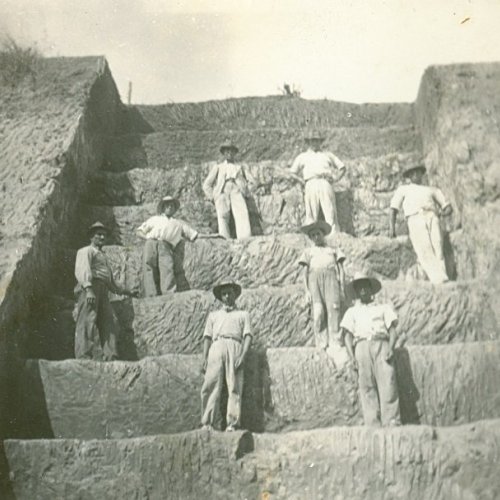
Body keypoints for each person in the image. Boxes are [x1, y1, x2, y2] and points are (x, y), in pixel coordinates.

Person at [340, 273, 401, 426]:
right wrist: (352, 356)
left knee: (388, 382)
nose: (362, 290)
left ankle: (392, 421)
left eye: (365, 286)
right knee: (366, 386)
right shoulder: (352, 312)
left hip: (381, 344)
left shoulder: (383, 308)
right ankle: (372, 423)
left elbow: (393, 330)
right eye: (359, 287)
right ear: (355, 291)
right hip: (361, 347)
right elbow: (347, 336)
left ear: (371, 289)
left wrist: (391, 348)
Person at [74, 222, 137, 360]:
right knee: (87, 320)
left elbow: (111, 283)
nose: (102, 237)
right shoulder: (86, 251)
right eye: (99, 234)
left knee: (110, 320)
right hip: (91, 287)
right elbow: (82, 269)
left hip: (103, 289)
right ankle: (83, 355)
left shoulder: (102, 256)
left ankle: (110, 355)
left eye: (104, 235)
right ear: (91, 237)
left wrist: (127, 292)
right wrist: (88, 289)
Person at [137, 196, 220, 296]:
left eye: (172, 206)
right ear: (163, 207)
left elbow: (194, 235)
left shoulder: (179, 223)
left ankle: (169, 295)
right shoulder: (154, 219)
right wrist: (147, 238)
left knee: (167, 269)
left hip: (166, 246)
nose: (170, 207)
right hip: (151, 242)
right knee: (148, 266)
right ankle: (151, 295)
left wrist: (213, 235)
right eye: (167, 205)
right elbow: (139, 231)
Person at [200, 280, 252, 431]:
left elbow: (248, 336)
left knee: (234, 386)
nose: (227, 296)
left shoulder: (243, 314)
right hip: (216, 347)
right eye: (224, 294)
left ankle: (232, 423)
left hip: (235, 346)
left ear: (235, 294)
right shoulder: (213, 315)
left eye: (230, 293)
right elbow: (207, 337)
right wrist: (205, 357)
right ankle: (207, 422)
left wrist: (243, 355)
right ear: (220, 297)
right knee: (210, 384)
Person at [389, 163, 452, 284]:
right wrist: (392, 228)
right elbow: (393, 209)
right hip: (415, 219)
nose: (416, 175)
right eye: (412, 173)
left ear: (422, 174)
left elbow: (447, 207)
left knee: (438, 247)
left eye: (418, 172)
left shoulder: (431, 190)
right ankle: (440, 280)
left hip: (432, 217)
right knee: (424, 249)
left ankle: (441, 278)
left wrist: (440, 214)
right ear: (409, 176)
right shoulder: (403, 189)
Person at [298, 221, 346, 353]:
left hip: (331, 280)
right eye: (313, 235)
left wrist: (342, 288)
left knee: (334, 309)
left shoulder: (333, 250)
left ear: (323, 234)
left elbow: (341, 270)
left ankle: (335, 341)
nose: (316, 237)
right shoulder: (308, 252)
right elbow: (304, 273)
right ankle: (321, 342)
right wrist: (307, 291)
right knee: (318, 312)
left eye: (318, 234)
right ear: (310, 238)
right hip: (314, 282)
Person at [289, 132, 346, 232]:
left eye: (317, 141)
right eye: (312, 140)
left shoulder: (327, 155)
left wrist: (336, 179)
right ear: (309, 142)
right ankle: (312, 236)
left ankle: (334, 235)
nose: (315, 143)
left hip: (325, 183)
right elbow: (292, 172)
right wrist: (301, 181)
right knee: (311, 212)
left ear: (320, 142)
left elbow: (342, 167)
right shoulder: (303, 156)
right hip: (310, 183)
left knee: (330, 210)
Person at [202, 141, 252, 239]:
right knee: (222, 215)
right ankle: (225, 239)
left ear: (234, 153)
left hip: (236, 189)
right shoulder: (218, 167)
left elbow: (253, 182)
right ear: (224, 153)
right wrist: (213, 197)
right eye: (227, 151)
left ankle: (245, 239)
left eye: (231, 151)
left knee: (242, 213)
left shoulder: (240, 167)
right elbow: (206, 185)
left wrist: (246, 192)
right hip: (222, 191)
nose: (229, 153)